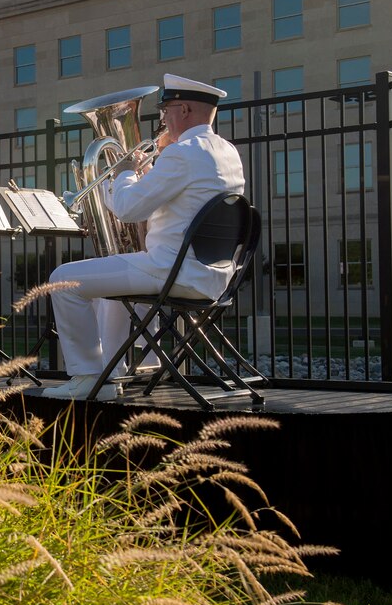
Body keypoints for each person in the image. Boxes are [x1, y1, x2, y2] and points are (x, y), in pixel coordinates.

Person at [42, 74, 246, 400]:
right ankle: (111, 373)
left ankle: (87, 376)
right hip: (214, 274)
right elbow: (186, 204)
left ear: (184, 109)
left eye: (166, 110)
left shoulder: (182, 153)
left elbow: (126, 209)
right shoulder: (226, 152)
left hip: (171, 271)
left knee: (62, 280)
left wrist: (125, 171)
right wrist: (148, 175)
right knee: (112, 286)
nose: (162, 118)